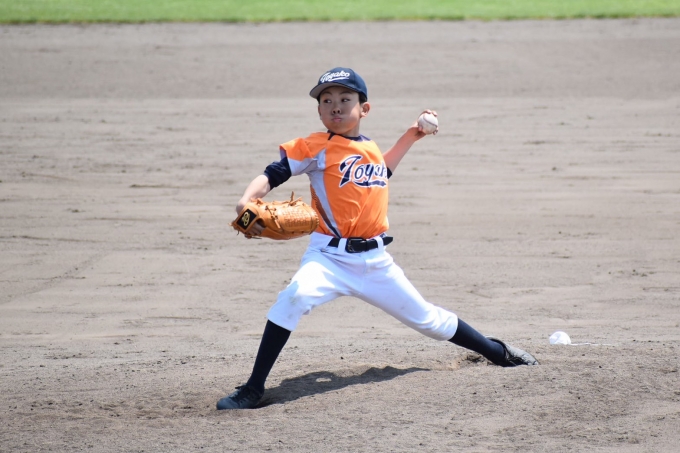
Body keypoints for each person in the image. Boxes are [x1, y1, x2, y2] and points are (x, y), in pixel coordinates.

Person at [217, 67, 538, 410]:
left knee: (429, 321)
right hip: (328, 258)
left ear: (364, 108)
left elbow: (382, 172)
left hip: (375, 262)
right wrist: (246, 201)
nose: (335, 106)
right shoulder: (315, 146)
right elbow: (272, 174)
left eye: (345, 99)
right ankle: (253, 388)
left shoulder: (369, 148)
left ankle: (498, 352)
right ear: (319, 111)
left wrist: (411, 136)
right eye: (326, 101)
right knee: (291, 299)